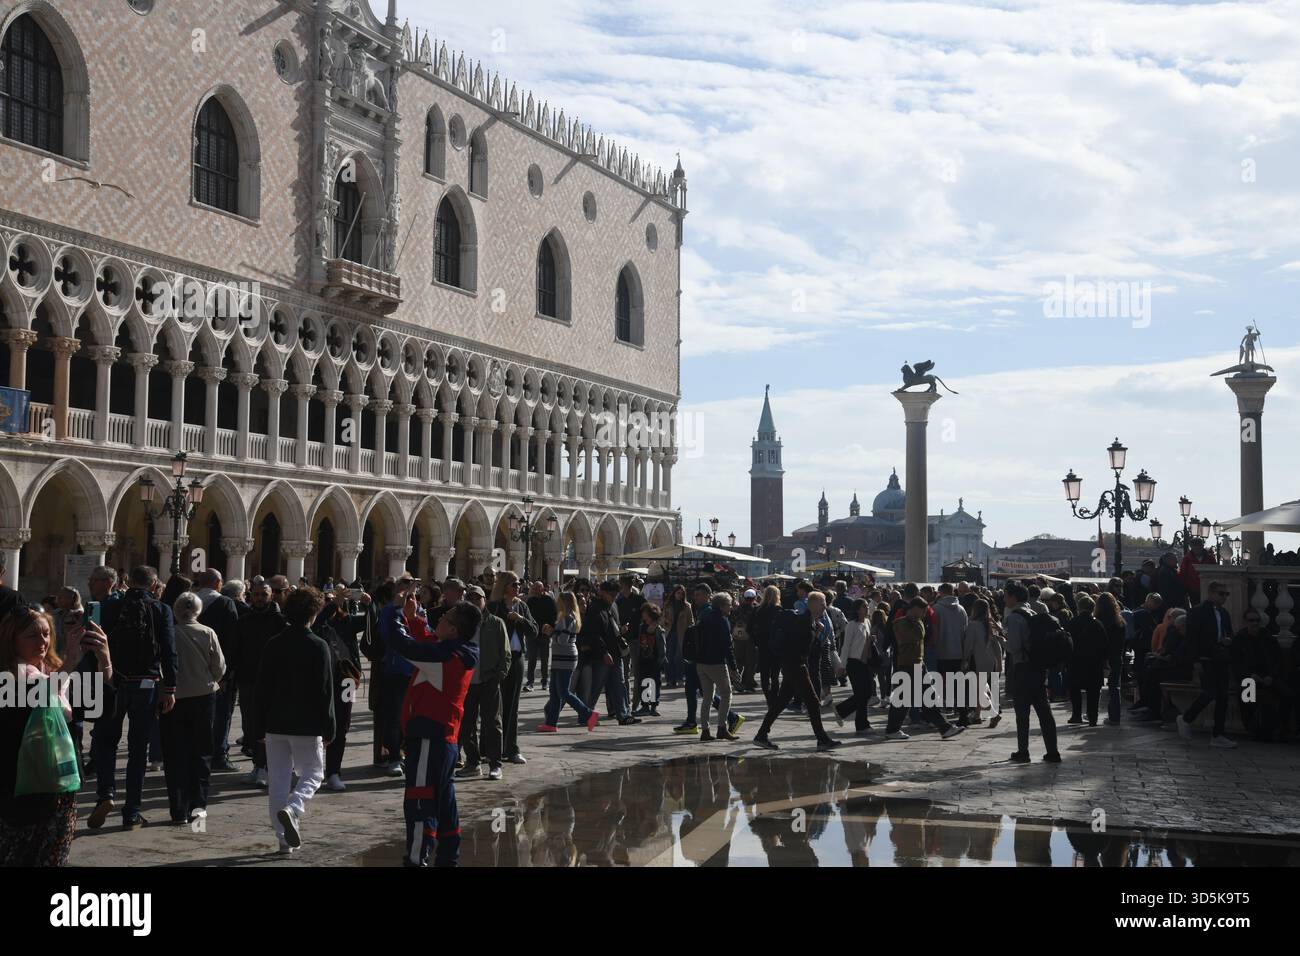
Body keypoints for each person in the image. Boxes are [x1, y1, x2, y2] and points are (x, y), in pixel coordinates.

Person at [0, 605, 110, 865]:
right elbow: (33, 698)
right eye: (32, 636)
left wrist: (105, 659)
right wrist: (70, 663)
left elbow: (99, 705)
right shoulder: (9, 676)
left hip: (57, 785)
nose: (43, 642)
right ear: (11, 640)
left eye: (47, 634)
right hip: (21, 788)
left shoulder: (52, 673)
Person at [386, 598, 481, 867]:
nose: (437, 619)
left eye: (445, 617)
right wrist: (414, 619)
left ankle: (416, 859)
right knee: (443, 801)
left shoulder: (446, 658)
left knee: (419, 801)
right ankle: (449, 858)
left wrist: (392, 611)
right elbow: (427, 641)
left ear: (453, 630)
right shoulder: (455, 652)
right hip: (444, 736)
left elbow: (404, 646)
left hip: (430, 734)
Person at [89, 565, 179, 831]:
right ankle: (132, 812)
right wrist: (170, 689)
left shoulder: (110, 606)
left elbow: (93, 644)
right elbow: (169, 651)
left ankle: (106, 793)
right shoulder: (161, 609)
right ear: (153, 586)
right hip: (147, 685)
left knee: (106, 741)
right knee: (138, 749)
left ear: (127, 582)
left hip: (113, 682)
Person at [250, 586, 335, 854]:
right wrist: (329, 726)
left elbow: (261, 687)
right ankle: (294, 806)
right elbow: (325, 690)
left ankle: (283, 841)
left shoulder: (274, 643)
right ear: (315, 613)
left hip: (276, 722)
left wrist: (257, 724)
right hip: (307, 723)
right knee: (313, 774)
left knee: (278, 779)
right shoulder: (318, 646)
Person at [161, 592, 225, 825]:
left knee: (175, 752)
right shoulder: (208, 633)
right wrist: (207, 679)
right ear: (199, 611)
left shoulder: (170, 634)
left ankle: (178, 809)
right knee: (201, 752)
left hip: (174, 699)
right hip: (204, 696)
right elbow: (219, 667)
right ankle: (198, 806)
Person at [753, 592, 840, 751]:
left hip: (793, 665)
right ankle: (822, 739)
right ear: (812, 604)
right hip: (795, 666)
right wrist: (816, 633)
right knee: (813, 702)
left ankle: (761, 735)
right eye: (821, 604)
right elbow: (804, 649)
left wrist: (816, 632)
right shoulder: (804, 622)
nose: (824, 607)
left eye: (824, 604)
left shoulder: (810, 621)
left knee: (781, 702)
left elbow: (809, 650)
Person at [883, 598, 965, 741]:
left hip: (918, 664)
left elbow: (920, 634)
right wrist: (915, 622)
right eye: (923, 610)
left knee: (927, 698)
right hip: (906, 665)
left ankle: (944, 727)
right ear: (914, 608)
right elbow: (912, 636)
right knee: (903, 700)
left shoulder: (917, 622)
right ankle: (893, 729)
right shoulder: (900, 623)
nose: (924, 614)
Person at [313, 587, 365, 791]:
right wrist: (333, 604)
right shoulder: (318, 623)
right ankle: (314, 770)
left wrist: (371, 605)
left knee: (341, 726)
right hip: (322, 681)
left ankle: (334, 772)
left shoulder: (348, 621)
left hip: (346, 680)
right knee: (318, 727)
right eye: (328, 600)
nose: (333, 603)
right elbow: (318, 622)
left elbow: (372, 624)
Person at [234, 581, 285, 787]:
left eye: (264, 595)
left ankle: (266, 767)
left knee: (268, 726)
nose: (260, 598)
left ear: (271, 595)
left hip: (272, 682)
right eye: (256, 595)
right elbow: (236, 649)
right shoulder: (244, 621)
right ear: (250, 596)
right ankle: (258, 765)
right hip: (248, 680)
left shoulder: (280, 621)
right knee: (250, 724)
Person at [1003, 582, 1061, 763]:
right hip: (1038, 667)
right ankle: (1053, 751)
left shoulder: (1014, 617)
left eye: (1006, 595)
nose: (1004, 598)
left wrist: (1001, 640)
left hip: (1022, 668)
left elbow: (1014, 647)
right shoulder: (1034, 613)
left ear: (1013, 597)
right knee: (1044, 711)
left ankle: (1023, 751)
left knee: (1022, 713)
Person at [1177, 581, 1238, 748]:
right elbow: (1192, 639)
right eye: (1221, 593)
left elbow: (1229, 633)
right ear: (1211, 593)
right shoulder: (1197, 612)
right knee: (1210, 692)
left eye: (1226, 594)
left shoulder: (1224, 613)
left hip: (1221, 658)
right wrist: (1195, 661)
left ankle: (1218, 734)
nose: (1224, 597)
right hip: (1205, 658)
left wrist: (1227, 641)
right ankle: (1186, 718)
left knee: (1223, 696)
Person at [458, 586, 510, 780]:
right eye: (470, 599)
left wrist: (498, 675)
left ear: (484, 600)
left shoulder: (496, 623)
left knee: (492, 723)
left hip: (489, 680)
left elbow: (505, 653)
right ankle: (473, 762)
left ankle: (496, 764)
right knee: (467, 724)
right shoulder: (462, 624)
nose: (474, 602)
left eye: (477, 598)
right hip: (467, 682)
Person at [194, 569, 241, 772]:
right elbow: (232, 640)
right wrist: (227, 672)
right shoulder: (225, 603)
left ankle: (196, 753)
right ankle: (219, 754)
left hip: (192, 669)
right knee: (222, 713)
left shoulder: (187, 602)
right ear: (218, 583)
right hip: (217, 669)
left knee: (196, 714)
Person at [487, 571, 537, 765]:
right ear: (505, 586)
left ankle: (511, 748)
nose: (518, 587)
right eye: (514, 584)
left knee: (512, 705)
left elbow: (534, 631)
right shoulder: (495, 607)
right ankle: (492, 749)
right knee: (494, 707)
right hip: (498, 660)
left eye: (519, 584)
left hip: (516, 659)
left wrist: (520, 620)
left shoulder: (522, 606)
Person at [538, 591, 599, 732]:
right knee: (554, 691)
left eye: (559, 601)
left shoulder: (568, 618)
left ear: (564, 603)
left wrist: (551, 632)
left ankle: (589, 714)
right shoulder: (565, 618)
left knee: (564, 692)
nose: (557, 603)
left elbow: (563, 640)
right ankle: (551, 723)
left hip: (565, 658)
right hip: (560, 657)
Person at [376, 578, 417, 777]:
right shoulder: (388, 612)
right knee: (394, 717)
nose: (406, 595)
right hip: (396, 671)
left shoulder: (418, 611)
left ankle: (408, 754)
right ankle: (393, 756)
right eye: (403, 591)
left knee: (413, 717)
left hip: (416, 672)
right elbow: (386, 633)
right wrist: (396, 609)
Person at [1232, 608, 1288, 741]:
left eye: (1257, 620)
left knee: (1288, 695)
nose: (1255, 623)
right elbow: (1236, 664)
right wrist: (1250, 675)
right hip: (1248, 678)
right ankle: (1255, 729)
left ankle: (1281, 729)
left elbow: (1278, 660)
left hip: (1268, 677)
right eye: (1251, 620)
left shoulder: (1267, 638)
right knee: (1249, 697)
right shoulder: (1239, 640)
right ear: (1245, 622)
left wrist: (1271, 676)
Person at [696, 592, 738, 742]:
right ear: (721, 606)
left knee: (707, 698)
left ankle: (705, 731)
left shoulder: (704, 617)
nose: (731, 607)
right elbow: (728, 646)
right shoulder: (722, 620)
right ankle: (722, 728)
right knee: (726, 694)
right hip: (716, 663)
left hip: (701, 663)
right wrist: (733, 667)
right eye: (729, 604)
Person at [834, 598, 875, 733]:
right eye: (864, 607)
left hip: (865, 662)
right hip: (853, 662)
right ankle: (862, 725)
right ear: (858, 609)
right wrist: (842, 665)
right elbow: (846, 646)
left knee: (867, 693)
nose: (867, 609)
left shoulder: (868, 622)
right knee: (861, 694)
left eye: (867, 606)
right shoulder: (852, 625)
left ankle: (842, 710)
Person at [1066, 595, 1107, 726]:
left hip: (1075, 661)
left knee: (1075, 689)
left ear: (1079, 607)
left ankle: (1076, 715)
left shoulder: (1072, 622)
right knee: (1093, 691)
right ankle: (1093, 718)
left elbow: (1067, 642)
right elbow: (1104, 644)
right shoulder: (1098, 624)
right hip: (1094, 663)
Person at [964, 598, 1004, 727]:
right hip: (990, 660)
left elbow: (969, 645)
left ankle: (994, 713)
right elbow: (997, 645)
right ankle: (977, 714)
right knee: (983, 687)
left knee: (979, 689)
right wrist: (998, 662)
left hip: (977, 659)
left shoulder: (973, 624)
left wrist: (964, 658)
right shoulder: (991, 624)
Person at [934, 583, 970, 725]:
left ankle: (941, 715)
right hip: (958, 652)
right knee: (958, 685)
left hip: (941, 652)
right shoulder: (961, 609)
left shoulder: (936, 609)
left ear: (940, 593)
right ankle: (963, 715)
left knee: (940, 685)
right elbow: (965, 632)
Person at [1095, 591, 1128, 726]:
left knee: (1095, 686)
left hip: (1100, 657)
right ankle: (1115, 716)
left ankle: (1093, 713)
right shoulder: (1120, 622)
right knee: (1115, 688)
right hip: (1116, 657)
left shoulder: (1098, 622)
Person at [750, 585, 783, 707]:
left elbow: (749, 628)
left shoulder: (757, 610)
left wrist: (757, 641)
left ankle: (769, 698)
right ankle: (774, 699)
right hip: (776, 647)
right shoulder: (779, 610)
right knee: (775, 675)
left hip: (763, 646)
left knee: (764, 675)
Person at [632, 603, 666, 716]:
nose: (642, 614)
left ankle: (654, 706)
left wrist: (661, 660)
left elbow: (662, 646)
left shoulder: (657, 629)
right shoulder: (642, 627)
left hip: (654, 661)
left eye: (644, 612)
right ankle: (645, 706)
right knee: (644, 683)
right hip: (643, 660)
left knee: (655, 683)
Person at [525, 580, 558, 692]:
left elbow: (554, 615)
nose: (535, 590)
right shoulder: (530, 600)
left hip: (544, 633)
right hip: (532, 634)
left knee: (544, 659)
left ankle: (545, 682)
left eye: (537, 588)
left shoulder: (549, 600)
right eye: (533, 588)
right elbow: (527, 616)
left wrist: (551, 627)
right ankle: (530, 682)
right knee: (531, 659)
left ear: (542, 589)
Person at [662, 585, 692, 688]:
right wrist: (665, 621)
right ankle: (670, 679)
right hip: (669, 633)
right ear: (674, 593)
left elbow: (690, 621)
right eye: (678, 593)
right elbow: (661, 618)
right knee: (668, 657)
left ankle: (679, 678)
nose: (679, 595)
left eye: (682, 593)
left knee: (678, 657)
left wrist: (689, 634)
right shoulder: (668, 605)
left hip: (682, 634)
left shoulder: (687, 606)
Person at [731, 589, 758, 693]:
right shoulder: (755, 609)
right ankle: (747, 682)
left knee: (738, 661)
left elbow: (732, 621)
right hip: (750, 639)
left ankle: (736, 681)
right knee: (750, 662)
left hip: (737, 638)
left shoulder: (737, 609)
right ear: (754, 598)